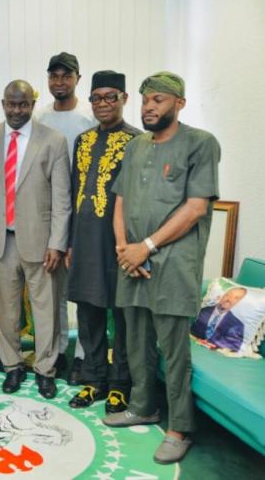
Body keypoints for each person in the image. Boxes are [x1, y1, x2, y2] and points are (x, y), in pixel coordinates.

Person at [103, 72, 220, 465]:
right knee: (135, 339)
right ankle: (142, 407)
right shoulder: (136, 147)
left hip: (173, 263)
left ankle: (179, 427)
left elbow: (196, 207)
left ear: (179, 104)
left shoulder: (200, 144)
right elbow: (119, 199)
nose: (149, 106)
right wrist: (124, 248)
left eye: (158, 100)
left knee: (173, 349)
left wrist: (146, 247)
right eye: (145, 100)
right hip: (131, 261)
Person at [0, 80, 71, 400]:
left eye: (23, 105)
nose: (16, 111)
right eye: (11, 104)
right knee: (6, 310)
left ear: (33, 104)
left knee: (45, 309)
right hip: (1, 241)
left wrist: (57, 243)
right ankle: (12, 366)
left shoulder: (54, 141)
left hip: (41, 241)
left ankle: (46, 369)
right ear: (2, 103)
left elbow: (62, 198)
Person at [65, 71, 141, 413]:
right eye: (97, 98)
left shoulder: (138, 142)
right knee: (89, 311)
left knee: (122, 315)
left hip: (120, 244)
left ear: (125, 98)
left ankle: (120, 385)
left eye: (111, 97)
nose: (103, 104)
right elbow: (72, 193)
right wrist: (69, 243)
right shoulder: (82, 141)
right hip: (84, 241)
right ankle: (94, 379)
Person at [34, 52, 98, 384]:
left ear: (77, 79)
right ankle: (57, 351)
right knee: (55, 289)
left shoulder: (90, 117)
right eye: (53, 76)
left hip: (86, 214)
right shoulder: (40, 118)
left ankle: (83, 357)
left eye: (66, 76)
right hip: (51, 213)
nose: (59, 82)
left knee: (84, 291)